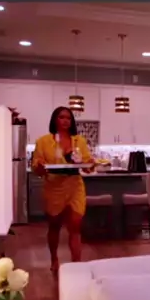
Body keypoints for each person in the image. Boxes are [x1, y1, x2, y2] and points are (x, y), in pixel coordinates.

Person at [32, 107, 94, 271]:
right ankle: (54, 259)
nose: (65, 121)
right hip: (54, 187)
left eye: (68, 118)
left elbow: (87, 165)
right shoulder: (43, 141)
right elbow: (37, 167)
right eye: (61, 117)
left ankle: (77, 265)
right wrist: (40, 167)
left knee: (75, 227)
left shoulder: (79, 141)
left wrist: (90, 164)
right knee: (54, 226)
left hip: (74, 185)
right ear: (54, 120)